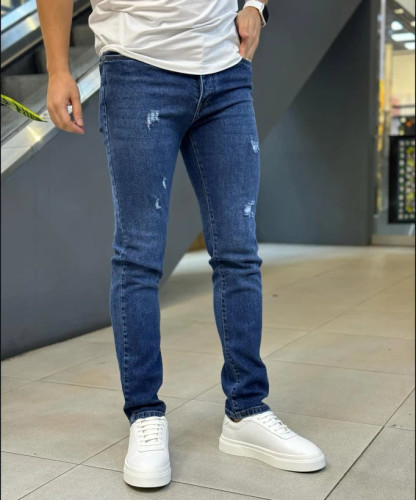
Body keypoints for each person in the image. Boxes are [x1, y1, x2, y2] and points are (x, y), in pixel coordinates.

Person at [37, 0, 326, 489]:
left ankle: (247, 410)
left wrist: (255, 5)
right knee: (138, 256)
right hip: (137, 66)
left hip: (226, 71)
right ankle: (145, 415)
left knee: (239, 254)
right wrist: (58, 68)